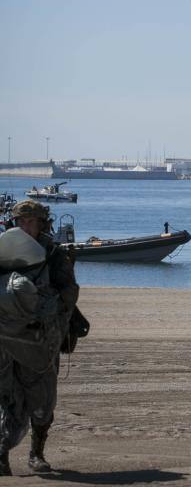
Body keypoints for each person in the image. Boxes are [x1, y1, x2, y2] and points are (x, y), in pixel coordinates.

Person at [0, 200, 79, 476]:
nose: (26, 227)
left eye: (32, 222)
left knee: (43, 399)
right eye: (21, 222)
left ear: (42, 224)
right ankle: (1, 454)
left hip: (42, 338)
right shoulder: (4, 250)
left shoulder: (55, 253)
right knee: (6, 395)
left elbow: (69, 291)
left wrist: (50, 307)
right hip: (7, 337)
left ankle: (37, 453)